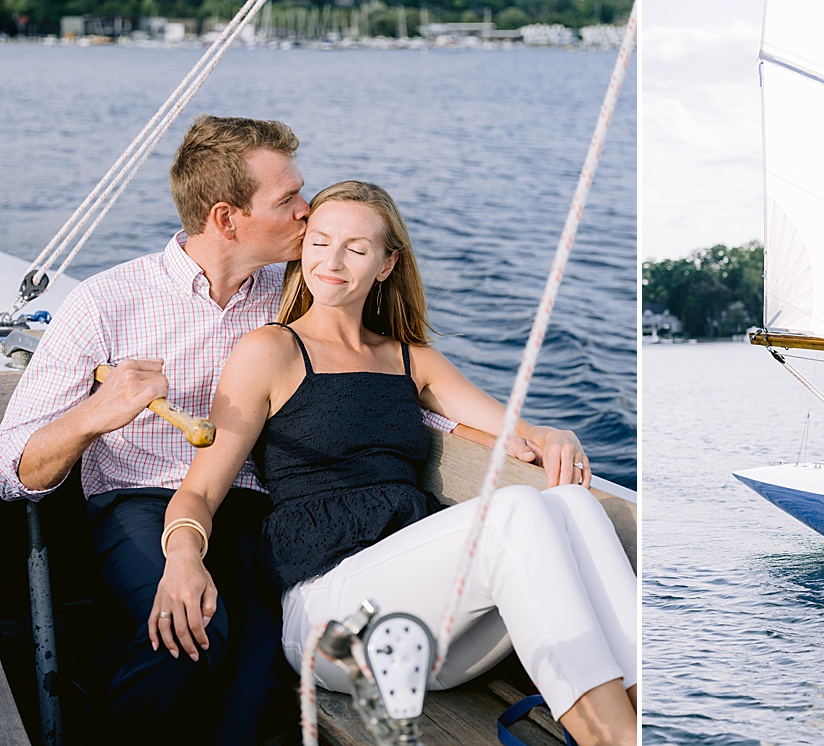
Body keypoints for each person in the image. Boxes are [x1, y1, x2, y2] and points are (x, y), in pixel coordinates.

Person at [147, 181, 638, 746]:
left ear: (386, 265)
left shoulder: (411, 359)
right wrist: (182, 557)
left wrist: (551, 434)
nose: (332, 262)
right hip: (329, 621)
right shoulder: (271, 351)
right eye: (319, 242)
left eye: (355, 249)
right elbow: (200, 491)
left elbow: (517, 432)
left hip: (429, 628)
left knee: (572, 501)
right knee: (514, 511)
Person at [0, 115, 311, 745]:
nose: (309, 210)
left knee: (263, 683)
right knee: (190, 635)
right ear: (227, 219)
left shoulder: (297, 296)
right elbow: (13, 471)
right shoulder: (105, 302)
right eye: (289, 199)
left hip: (250, 506)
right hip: (139, 501)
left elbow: (376, 376)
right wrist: (97, 412)